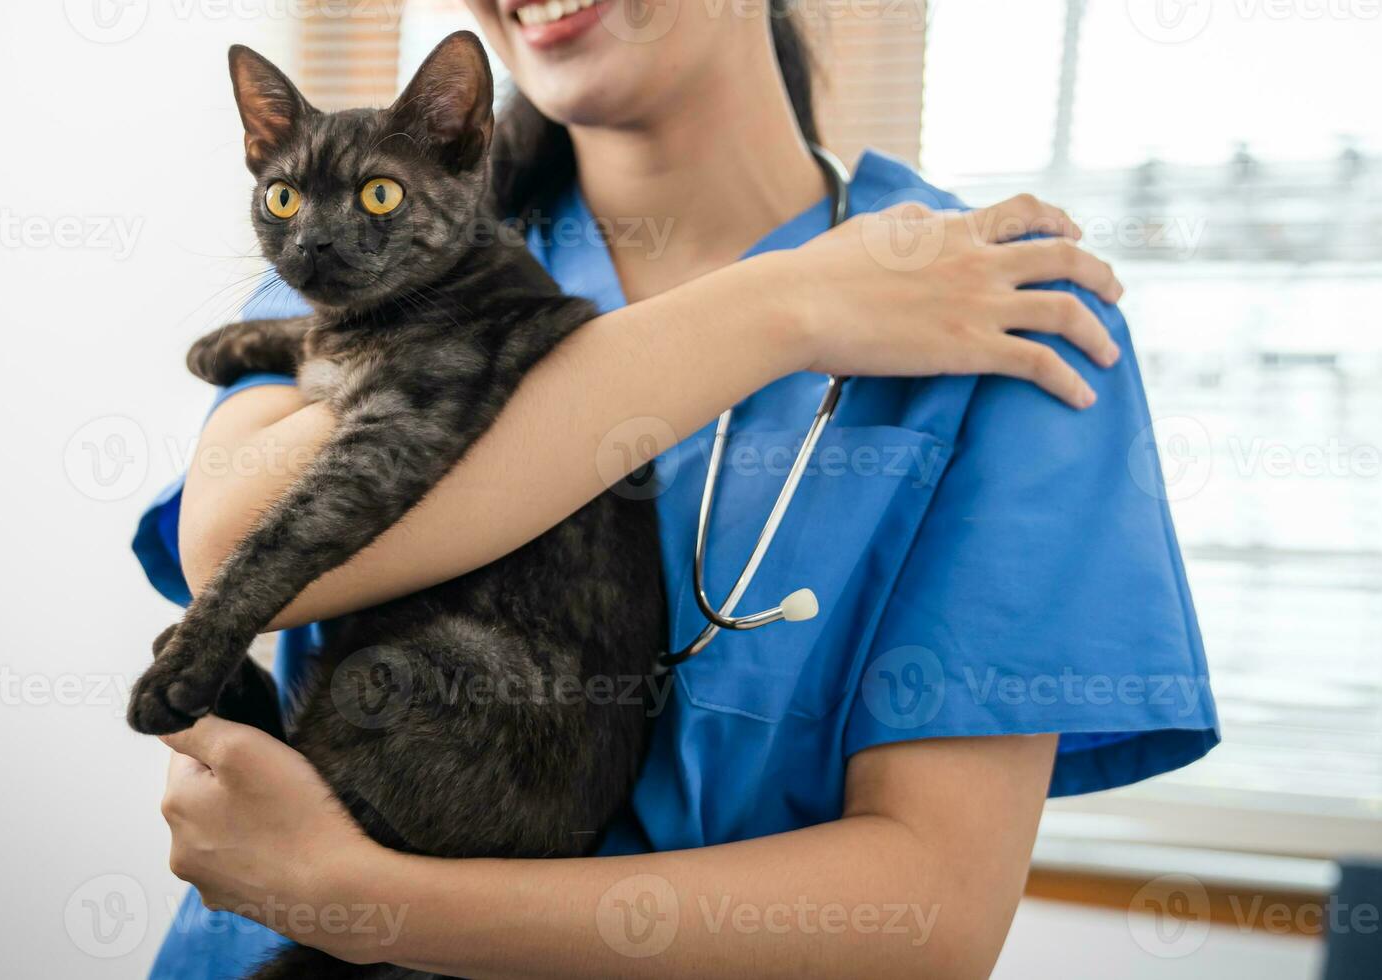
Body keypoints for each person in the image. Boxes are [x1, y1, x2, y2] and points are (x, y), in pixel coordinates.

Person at [132, 1, 1218, 975]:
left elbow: (928, 915)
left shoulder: (994, 310)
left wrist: (361, 901)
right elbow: (228, 547)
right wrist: (786, 305)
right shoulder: (389, 241)